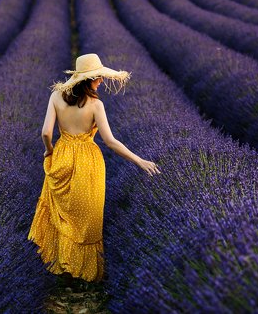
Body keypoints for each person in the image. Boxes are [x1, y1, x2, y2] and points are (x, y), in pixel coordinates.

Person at [27, 53, 161, 283]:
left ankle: (64, 267)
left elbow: (46, 133)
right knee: (87, 217)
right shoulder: (96, 105)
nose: (101, 81)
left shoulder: (56, 96)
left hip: (62, 156)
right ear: (88, 80)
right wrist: (139, 160)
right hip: (88, 163)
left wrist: (49, 150)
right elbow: (110, 141)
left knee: (64, 214)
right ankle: (85, 273)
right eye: (98, 77)